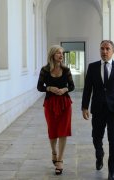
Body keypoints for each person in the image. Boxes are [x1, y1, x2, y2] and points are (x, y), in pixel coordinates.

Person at [81, 40, 114, 180]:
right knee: (96, 137)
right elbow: (87, 89)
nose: (104, 51)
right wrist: (85, 107)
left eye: (107, 49)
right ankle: (99, 153)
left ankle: (112, 172)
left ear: (113, 51)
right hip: (98, 109)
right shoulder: (92, 67)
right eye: (102, 48)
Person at [37, 44, 75, 175]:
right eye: (58, 53)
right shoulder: (45, 70)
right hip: (50, 103)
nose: (61, 55)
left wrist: (65, 89)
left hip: (65, 103)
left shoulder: (66, 70)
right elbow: (39, 87)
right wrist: (49, 88)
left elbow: (72, 86)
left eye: (62, 53)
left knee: (63, 131)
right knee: (52, 130)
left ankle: (60, 159)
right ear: (52, 55)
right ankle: (54, 151)